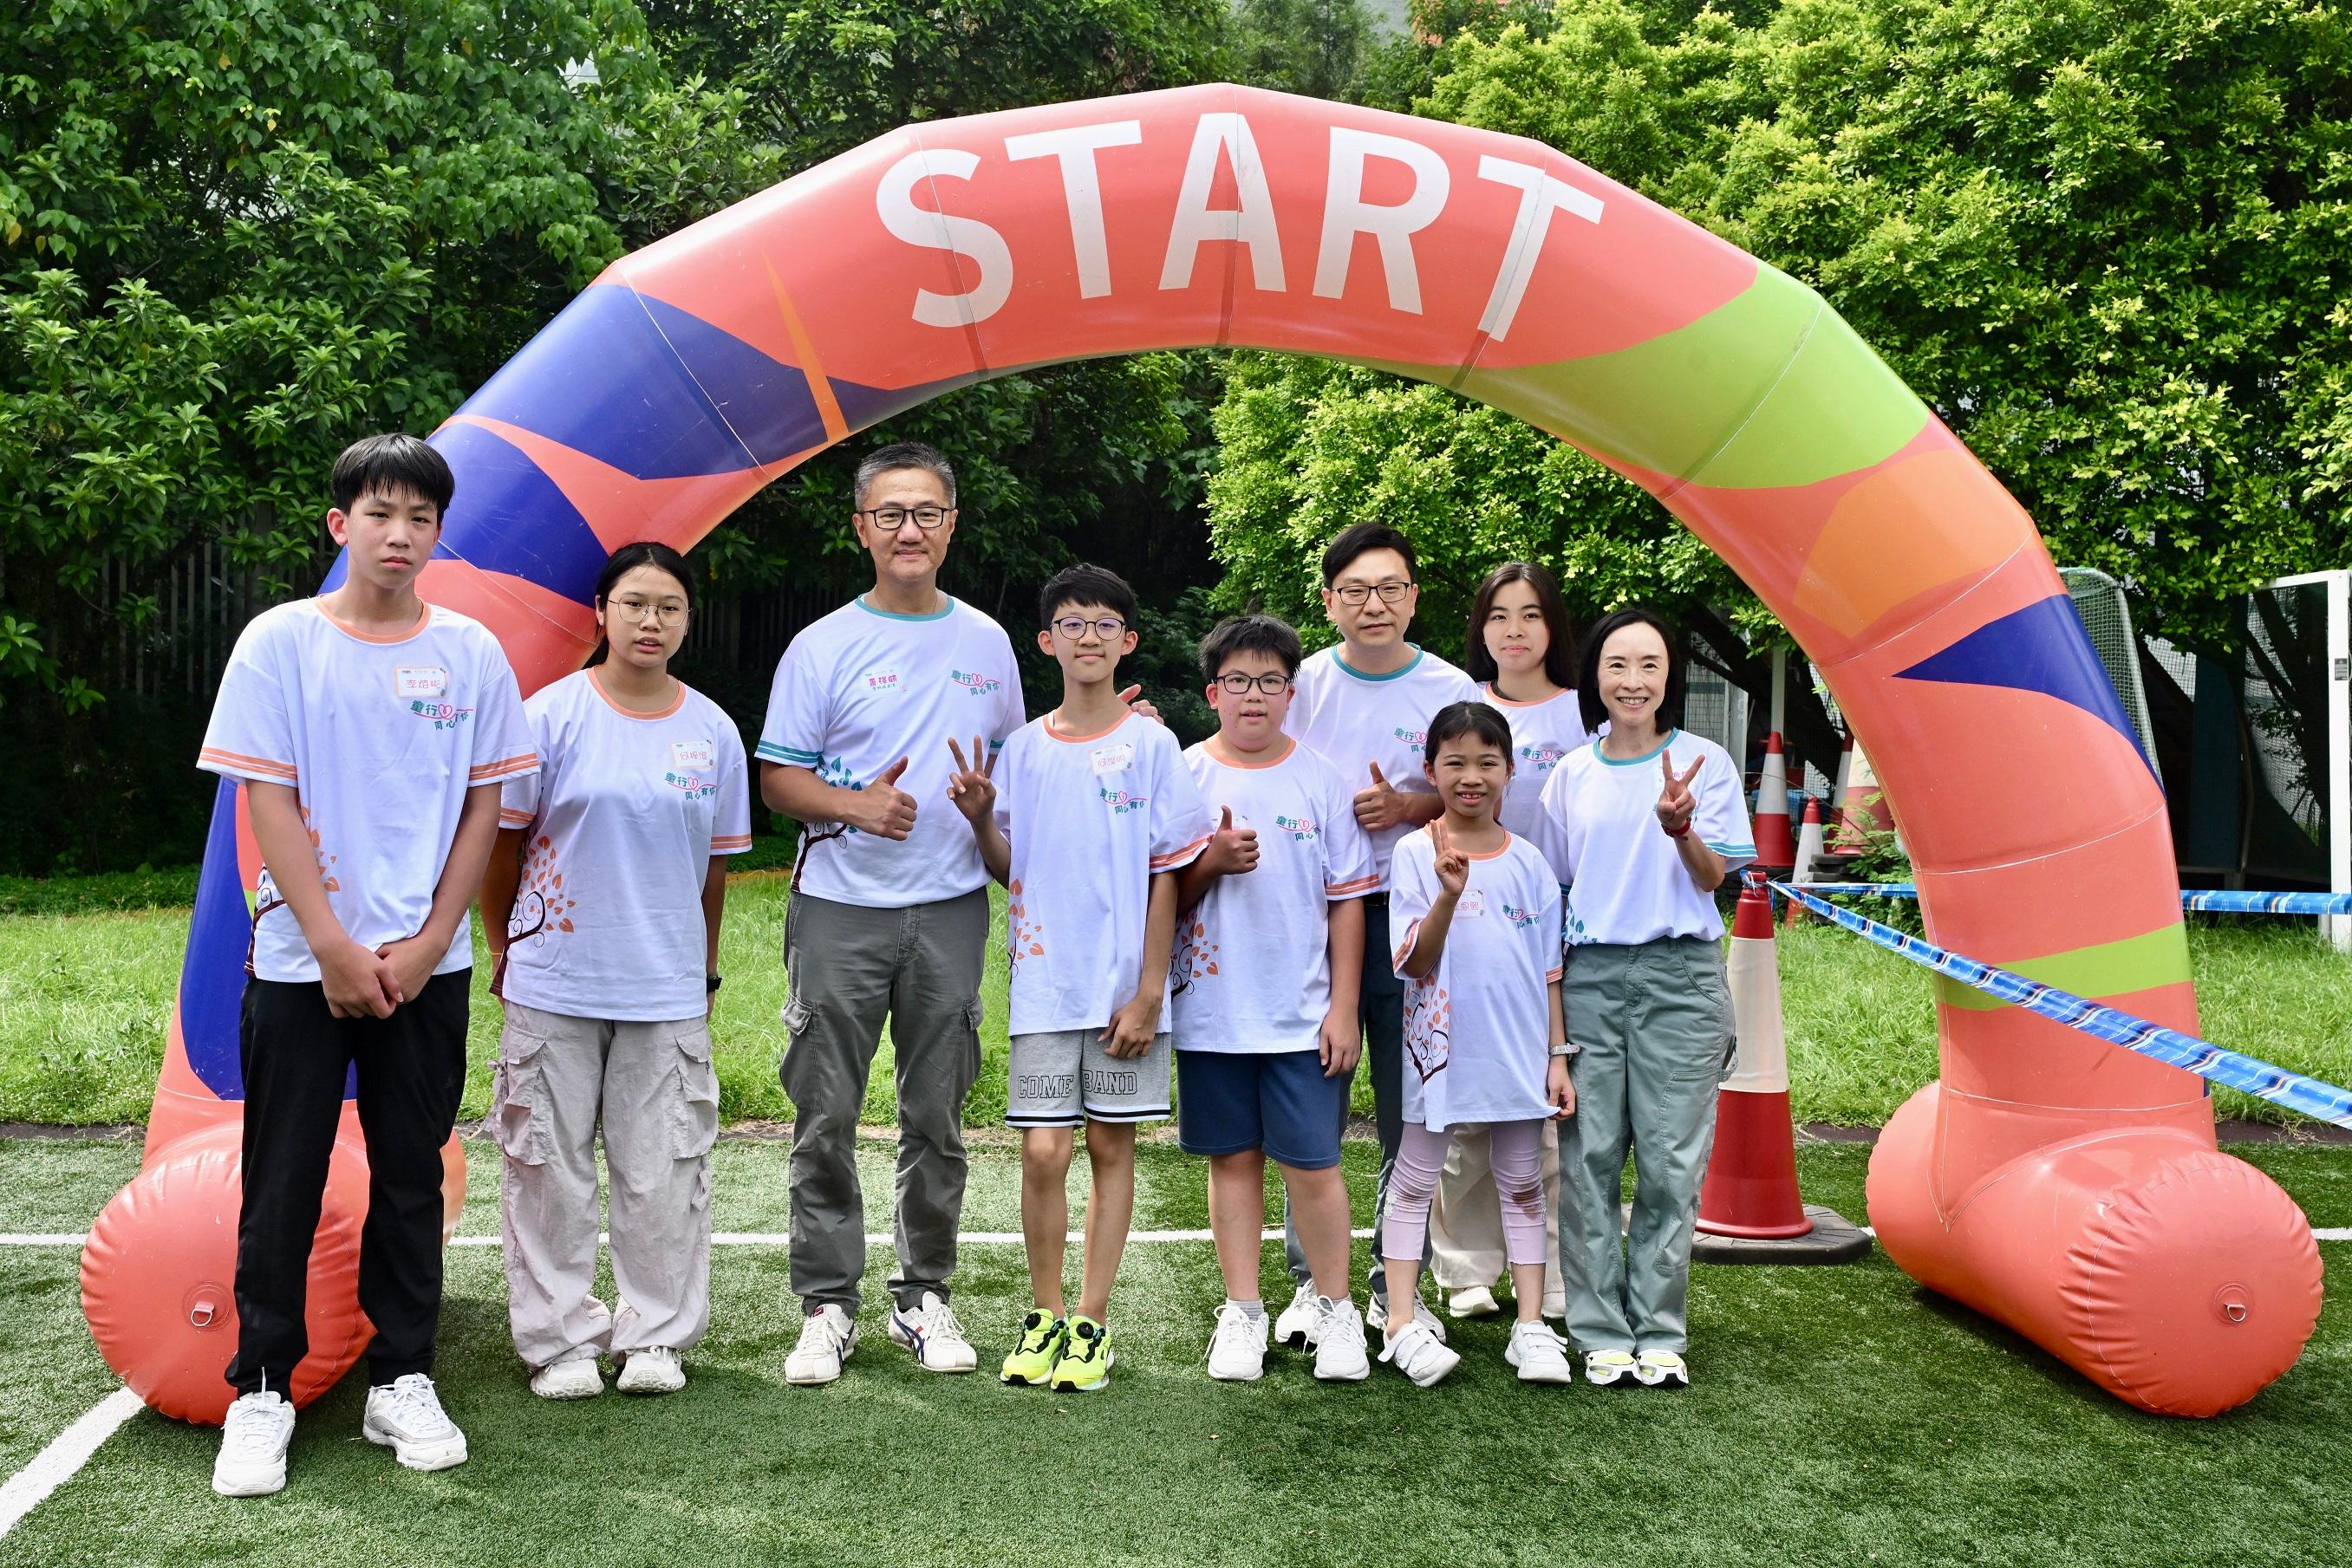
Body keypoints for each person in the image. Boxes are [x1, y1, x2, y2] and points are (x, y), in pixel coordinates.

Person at [199, 434, 534, 1496]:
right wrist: (336, 946)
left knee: (411, 1174)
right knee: (283, 1176)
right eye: (379, 513)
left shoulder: (473, 654)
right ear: (341, 524)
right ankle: (260, 1388)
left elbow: (486, 801)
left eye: (420, 518)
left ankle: (402, 1380)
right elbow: (268, 800)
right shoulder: (280, 643)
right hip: (305, 963)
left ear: (440, 534)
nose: (400, 534)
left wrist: (434, 940)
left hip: (424, 968)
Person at [756, 442, 1025, 1386]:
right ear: (860, 527)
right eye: (889, 514)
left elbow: (1009, 776)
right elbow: (778, 779)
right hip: (840, 909)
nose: (908, 530)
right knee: (824, 1113)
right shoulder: (822, 644)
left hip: (949, 910)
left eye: (926, 513)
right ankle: (827, 1305)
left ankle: (924, 1297)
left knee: (937, 1115)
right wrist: (855, 805)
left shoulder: (988, 642)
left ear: (951, 525)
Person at [479, 543, 751, 1401]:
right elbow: (503, 844)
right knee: (545, 1166)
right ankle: (559, 1341)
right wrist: (504, 946)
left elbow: (714, 868)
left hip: (664, 985)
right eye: (635, 603)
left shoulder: (710, 731)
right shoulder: (550, 715)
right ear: (601, 612)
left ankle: (654, 1337)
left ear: (685, 621)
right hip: (555, 975)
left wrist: (702, 971)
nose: (651, 621)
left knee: (663, 1167)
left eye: (669, 607)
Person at [947, 563, 1212, 1392]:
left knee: (1107, 1144)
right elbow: (1009, 869)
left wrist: (1147, 991)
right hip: (1044, 987)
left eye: (1104, 624)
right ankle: (1044, 1315)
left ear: (1127, 641)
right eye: (1072, 623)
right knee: (1041, 1150)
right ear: (1046, 641)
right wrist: (981, 817)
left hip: (1124, 992)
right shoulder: (1021, 748)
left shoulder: (1152, 744)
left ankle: (1092, 1323)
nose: (1088, 636)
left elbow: (1169, 872)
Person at [1533, 608, 1756, 1389]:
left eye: (1649, 665)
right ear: (1594, 674)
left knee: (1669, 1160)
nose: (1633, 680)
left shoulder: (1704, 763)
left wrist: (1679, 826)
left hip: (1682, 978)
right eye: (1618, 665)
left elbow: (1712, 879)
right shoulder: (1571, 774)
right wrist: (1552, 1020)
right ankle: (1599, 1328)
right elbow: (1555, 897)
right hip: (1590, 977)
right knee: (1588, 1159)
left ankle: (1658, 1326)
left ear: (1670, 678)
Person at [1276, 524, 1479, 1349]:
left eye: (1390, 588)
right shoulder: (1302, 684)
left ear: (1414, 598)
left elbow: (1475, 789)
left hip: (1418, 918)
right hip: (1313, 918)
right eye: (1355, 590)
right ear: (1328, 601)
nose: (1374, 604)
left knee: (1409, 1107)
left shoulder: (1451, 685)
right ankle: (1307, 1283)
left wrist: (1411, 807)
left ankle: (1393, 1282)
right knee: (1307, 1102)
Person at [1169, 615, 1378, 1383]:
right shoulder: (1185, 775)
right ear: (1211, 692)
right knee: (1232, 1161)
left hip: (1302, 1013)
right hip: (1211, 1012)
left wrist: (1343, 1006)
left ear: (1291, 692)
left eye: (1268, 681)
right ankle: (1243, 1311)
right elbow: (1166, 892)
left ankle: (1334, 1309)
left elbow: (1347, 901)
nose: (1252, 696)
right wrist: (1210, 862)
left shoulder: (1321, 779)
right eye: (1236, 681)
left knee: (1313, 1167)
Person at [1377, 702, 1576, 1388]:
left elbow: (1549, 971)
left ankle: (1530, 1327)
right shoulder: (1413, 852)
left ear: (1510, 771)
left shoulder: (1531, 864)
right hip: (1434, 1053)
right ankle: (1400, 1321)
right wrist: (1446, 893)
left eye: (1486, 762)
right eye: (1455, 762)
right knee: (1413, 1182)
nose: (1471, 777)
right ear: (1429, 769)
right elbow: (1413, 960)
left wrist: (1556, 1056)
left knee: (1522, 1185)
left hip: (1516, 1053)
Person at [1428, 562, 1583, 1322]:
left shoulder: (1583, 713)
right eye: (1497, 615)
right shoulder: (1458, 706)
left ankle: (1547, 1268)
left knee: (1542, 1112)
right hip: (1462, 925)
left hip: (1551, 932)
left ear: (1553, 624)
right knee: (1464, 1117)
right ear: (1479, 627)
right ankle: (1462, 1270)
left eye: (1529, 614)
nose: (1513, 630)